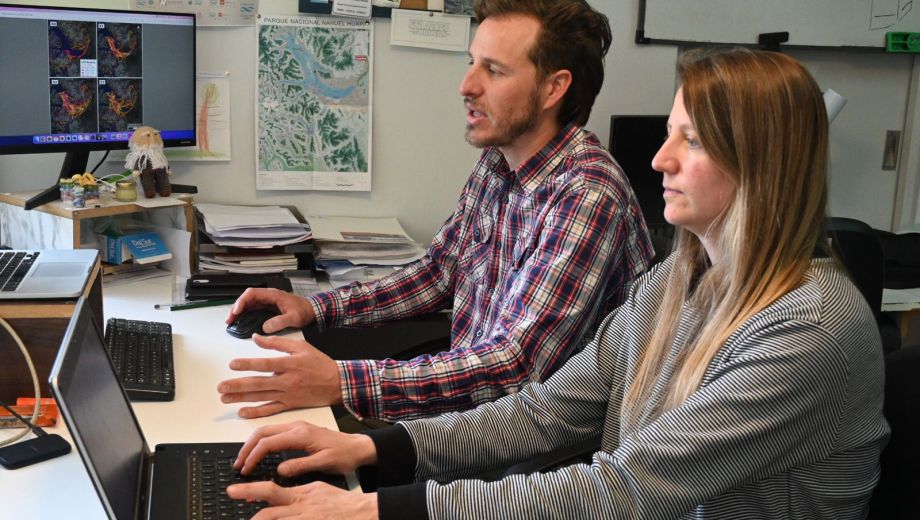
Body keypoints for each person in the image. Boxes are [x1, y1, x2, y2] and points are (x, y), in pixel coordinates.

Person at [224, 48, 890, 519]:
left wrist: (376, 506)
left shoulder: (809, 330)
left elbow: (626, 491)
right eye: (668, 135)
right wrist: (373, 446)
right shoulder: (680, 280)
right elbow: (548, 409)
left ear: (761, 161)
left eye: (692, 140)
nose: (659, 159)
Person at [218, 0, 652, 425]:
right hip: (463, 416)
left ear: (554, 89)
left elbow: (516, 364)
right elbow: (440, 273)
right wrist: (316, 309)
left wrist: (343, 382)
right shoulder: (500, 162)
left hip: (526, 453)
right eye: (471, 62)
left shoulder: (588, 193)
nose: (466, 85)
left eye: (494, 70)